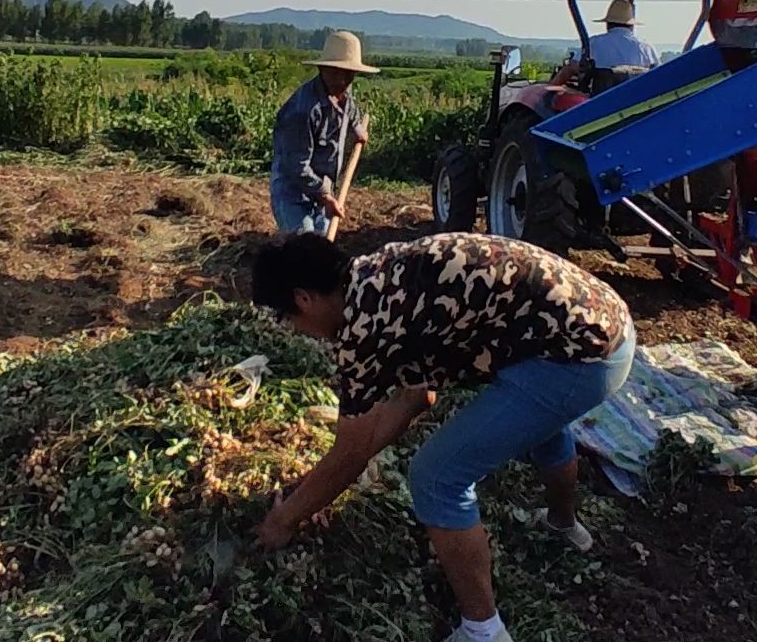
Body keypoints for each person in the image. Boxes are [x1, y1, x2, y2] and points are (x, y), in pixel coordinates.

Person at [251, 231, 636, 642]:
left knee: (435, 478)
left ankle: (483, 631)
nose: (294, 328)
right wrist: (318, 487)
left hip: (580, 360)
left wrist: (283, 518)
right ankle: (564, 526)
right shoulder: (377, 274)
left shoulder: (363, 329)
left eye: (287, 317)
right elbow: (416, 399)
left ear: (304, 299)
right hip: (598, 325)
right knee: (539, 421)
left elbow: (350, 452)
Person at [269, 31, 376, 234]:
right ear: (323, 69)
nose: (343, 79)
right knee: (305, 247)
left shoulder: (343, 94)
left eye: (349, 74)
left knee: (322, 243)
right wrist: (326, 196)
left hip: (323, 188)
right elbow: (298, 167)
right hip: (294, 192)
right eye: (337, 72)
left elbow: (351, 112)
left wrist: (358, 129)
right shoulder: (302, 112)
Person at [550, 0, 659, 86]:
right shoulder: (646, 47)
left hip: (599, 102)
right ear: (631, 25)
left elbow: (571, 68)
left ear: (608, 24)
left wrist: (550, 87)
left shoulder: (594, 43)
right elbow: (658, 74)